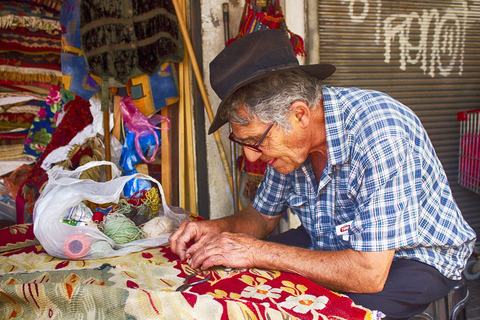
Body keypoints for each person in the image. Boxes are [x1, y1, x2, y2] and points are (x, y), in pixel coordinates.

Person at [168, 29, 476, 319]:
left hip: (412, 257)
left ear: (300, 114)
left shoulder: (381, 132)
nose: (251, 156)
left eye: (256, 142)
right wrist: (218, 229)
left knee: (313, 310)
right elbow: (261, 218)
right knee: (240, 282)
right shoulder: (288, 147)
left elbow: (368, 274)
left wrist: (256, 250)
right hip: (333, 240)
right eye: (244, 143)